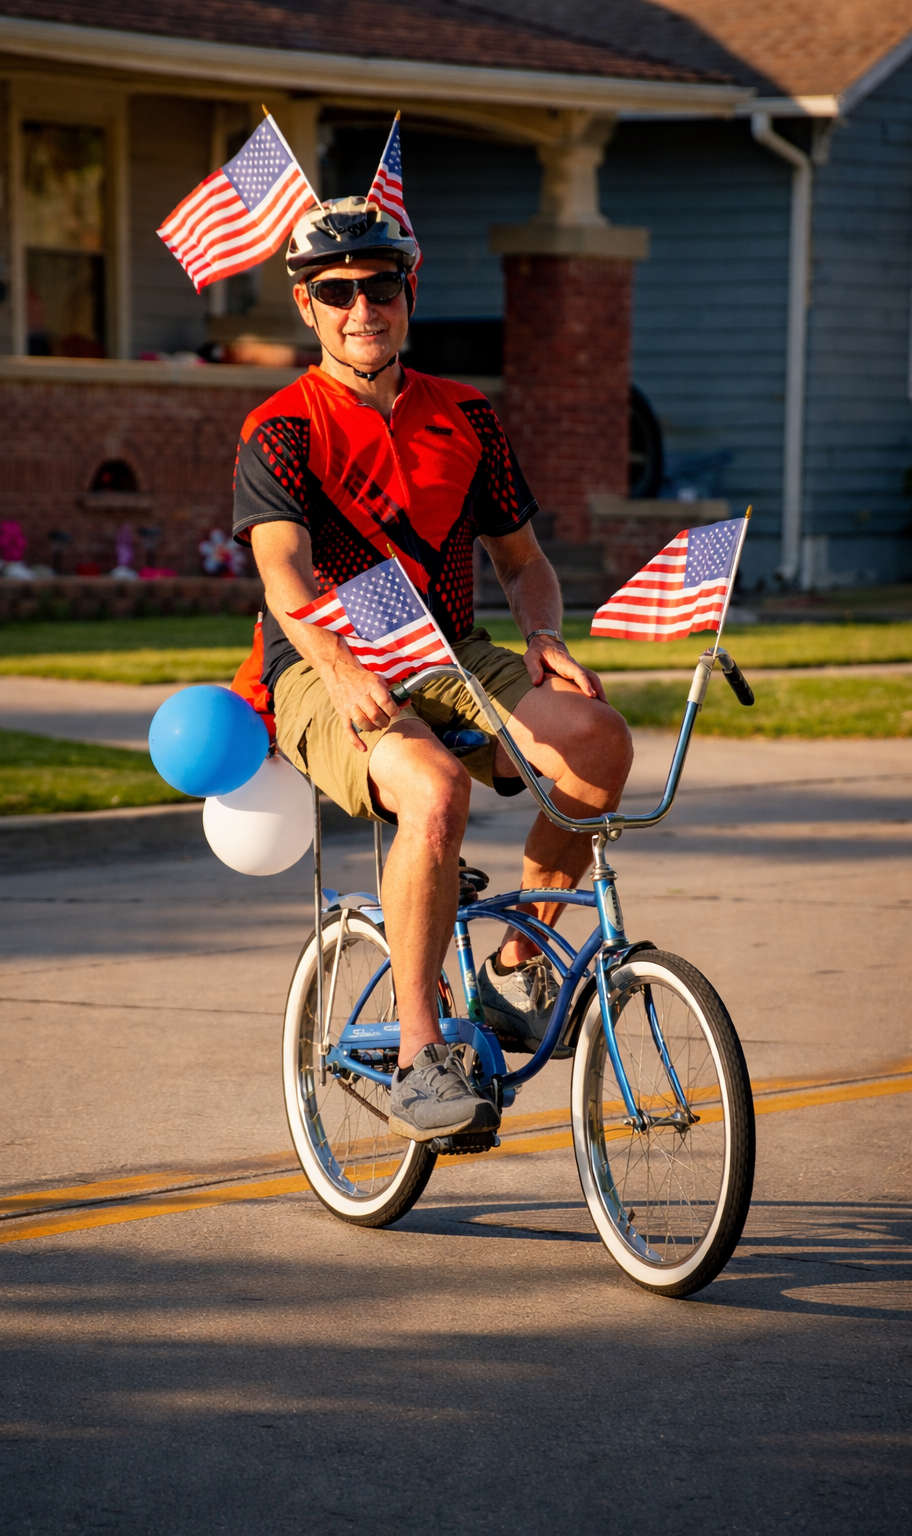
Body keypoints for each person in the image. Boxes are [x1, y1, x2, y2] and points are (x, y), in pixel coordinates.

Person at [232, 196, 633, 1143]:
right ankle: (423, 1055)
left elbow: (523, 561)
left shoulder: (469, 416)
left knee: (597, 742)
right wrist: (334, 665)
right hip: (321, 662)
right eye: (336, 290)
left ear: (408, 293)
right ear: (307, 307)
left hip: (447, 648)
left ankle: (512, 963)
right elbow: (282, 570)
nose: (360, 307)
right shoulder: (281, 428)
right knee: (435, 786)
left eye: (379, 286)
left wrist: (542, 635)